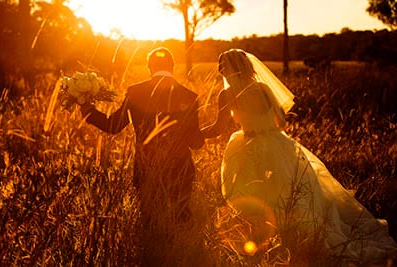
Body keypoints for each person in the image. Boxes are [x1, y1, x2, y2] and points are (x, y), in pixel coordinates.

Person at [201, 48, 397, 264]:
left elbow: (217, 128)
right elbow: (281, 122)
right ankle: (284, 237)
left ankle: (274, 241)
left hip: (250, 146)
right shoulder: (262, 89)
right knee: (283, 195)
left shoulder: (227, 94)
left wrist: (191, 134)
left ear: (225, 69)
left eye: (222, 67)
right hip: (275, 143)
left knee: (260, 195)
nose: (221, 72)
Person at [80, 47, 204, 225]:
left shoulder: (135, 92)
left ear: (149, 67)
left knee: (148, 219)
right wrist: (204, 134)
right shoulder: (190, 96)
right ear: (173, 67)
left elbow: (112, 126)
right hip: (180, 170)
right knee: (181, 218)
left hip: (146, 168)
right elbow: (195, 143)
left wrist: (88, 111)